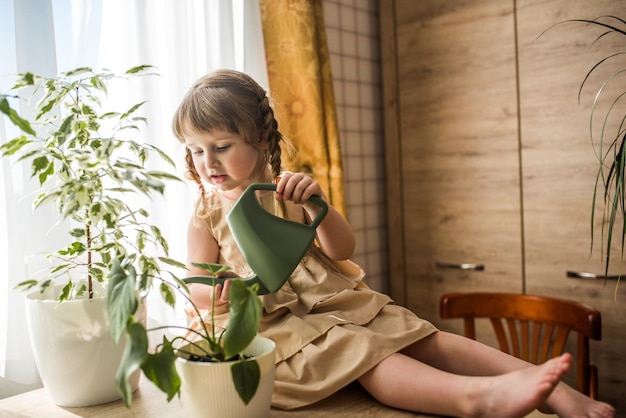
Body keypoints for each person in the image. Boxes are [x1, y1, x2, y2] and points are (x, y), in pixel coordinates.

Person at [171, 68, 615, 418]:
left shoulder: (287, 188)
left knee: (423, 337)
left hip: (334, 301)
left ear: (261, 138)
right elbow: (197, 284)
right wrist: (217, 286)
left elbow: (342, 249)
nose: (207, 161)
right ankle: (476, 399)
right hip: (278, 319)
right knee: (364, 353)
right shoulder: (206, 212)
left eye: (221, 146)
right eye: (195, 150)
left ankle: (555, 390)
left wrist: (317, 204)